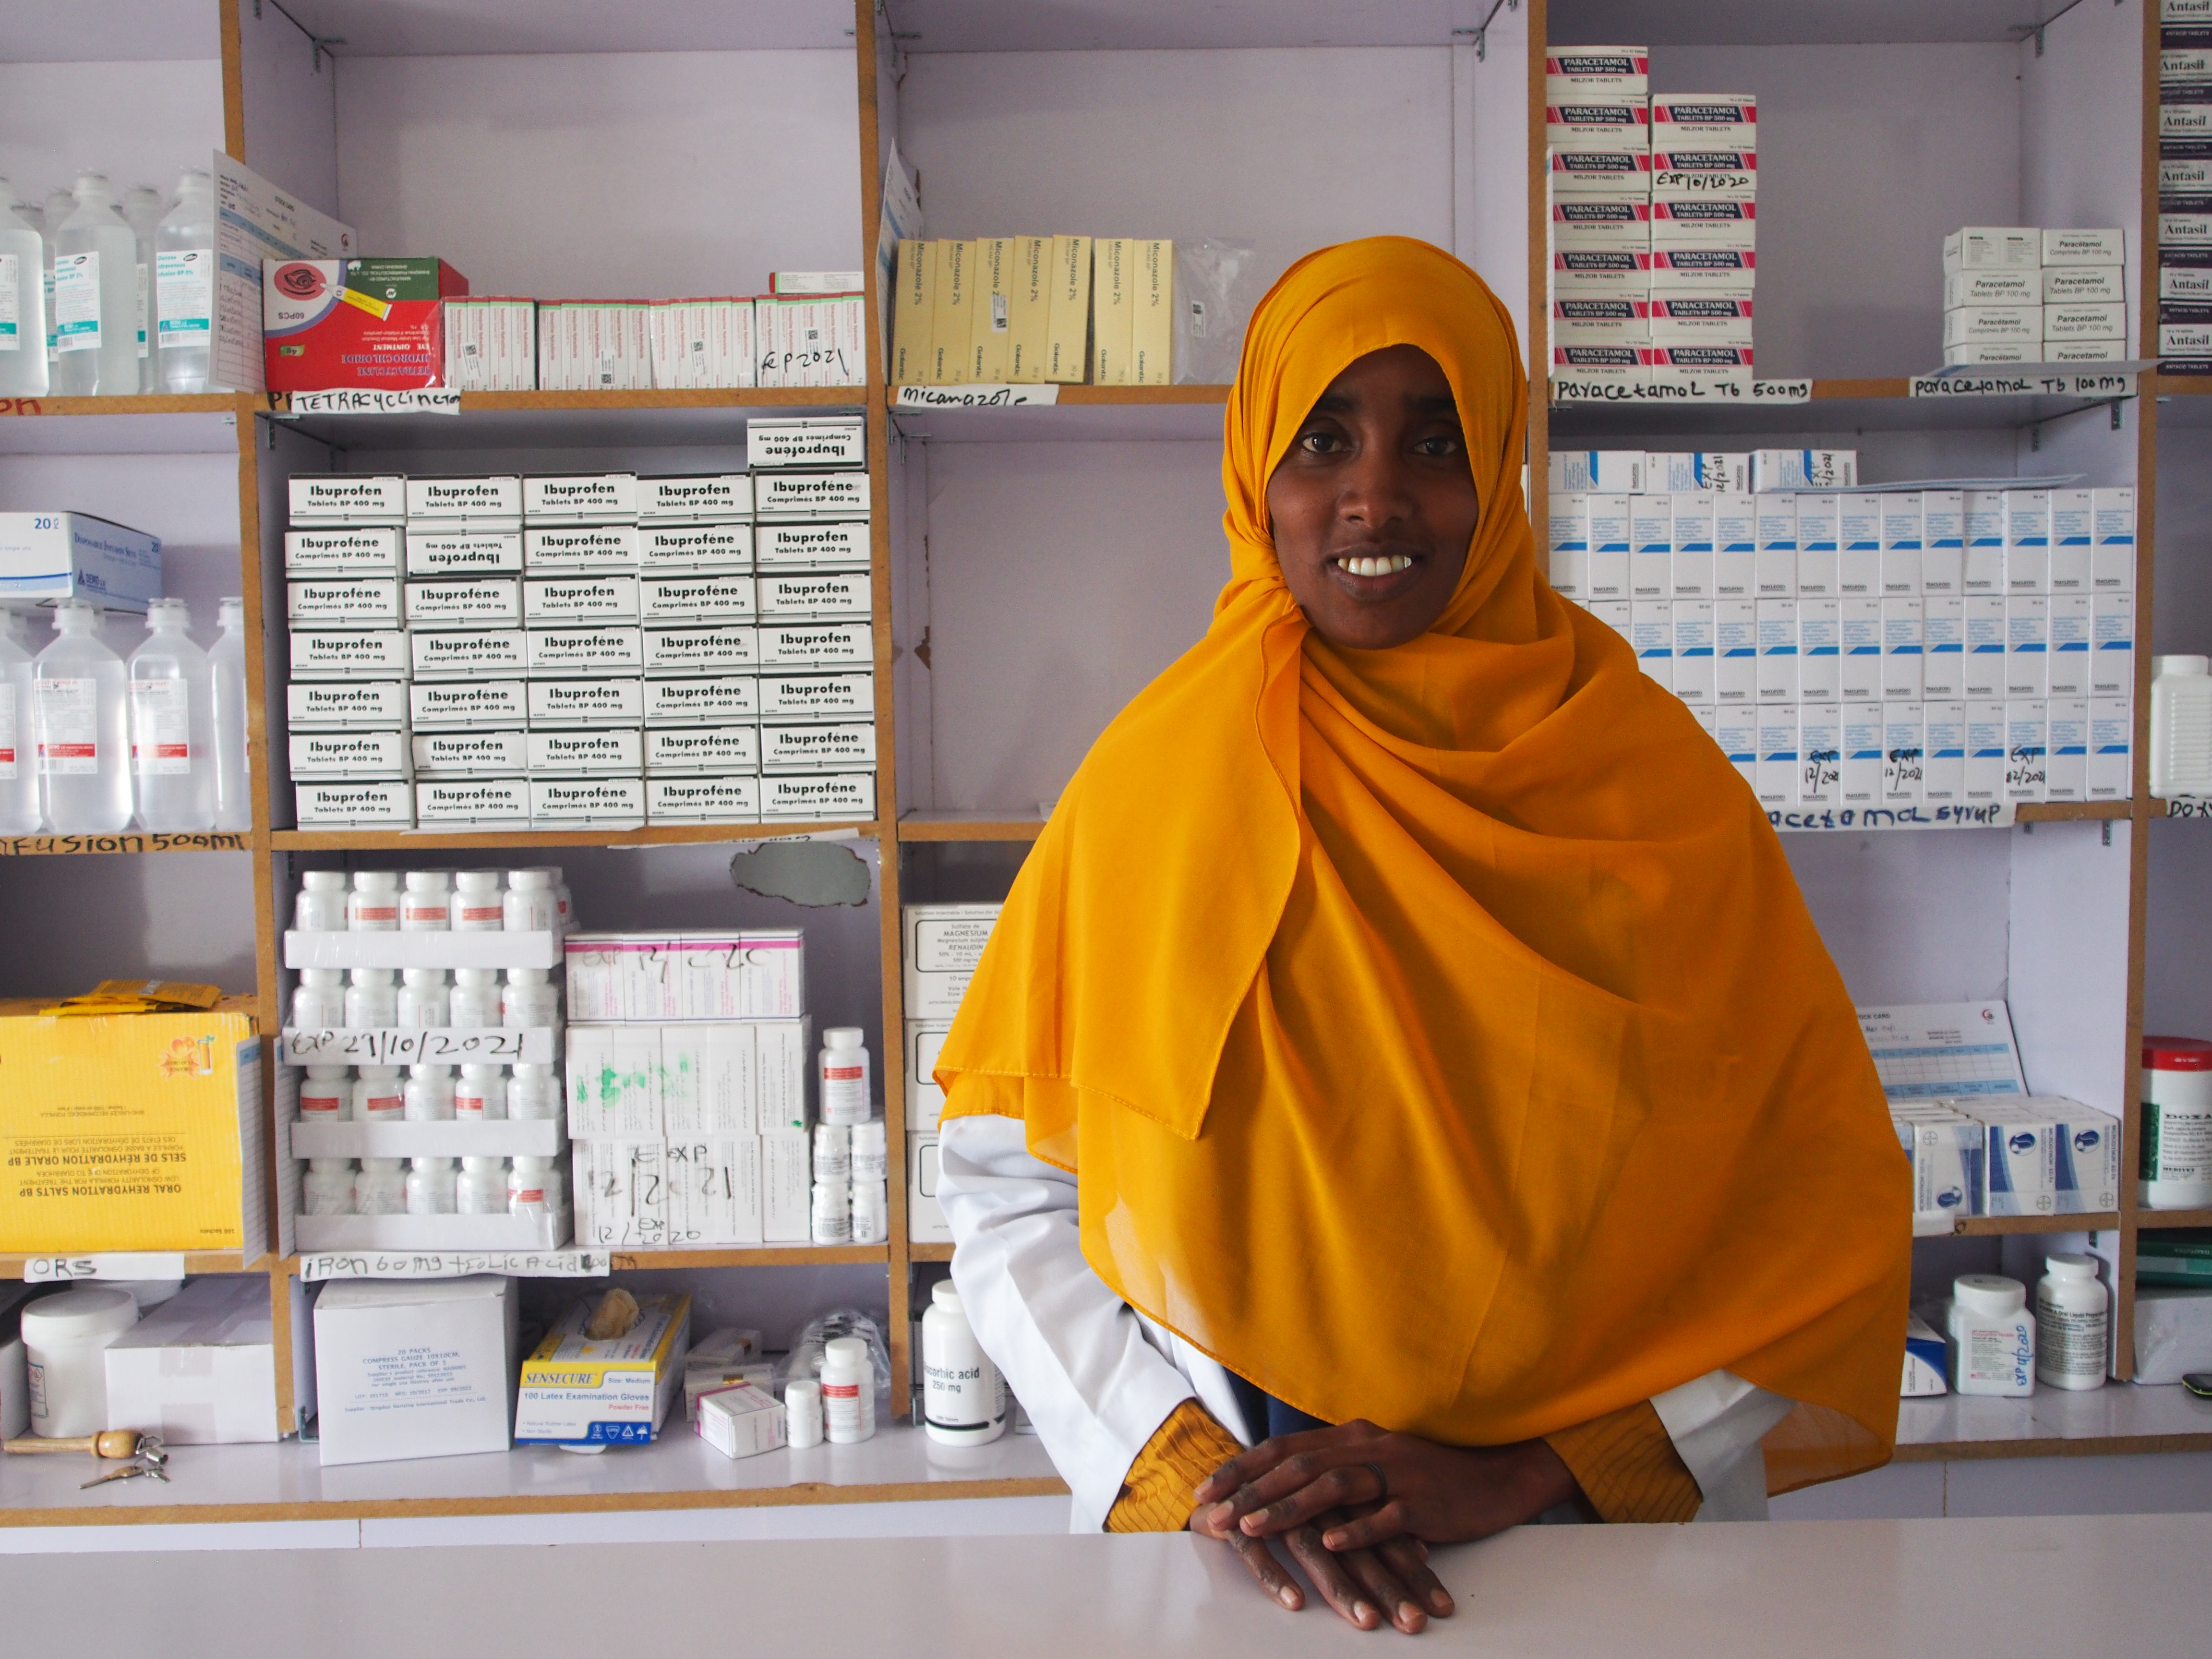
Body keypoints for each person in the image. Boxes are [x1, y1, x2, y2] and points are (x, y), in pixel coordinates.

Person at [932, 236, 1909, 1635]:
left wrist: (1527, 1471)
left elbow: (1815, 1210)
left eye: (1435, 440)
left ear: (1501, 473)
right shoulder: (1157, 786)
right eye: (1322, 439)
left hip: (1595, 1550)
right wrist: (1187, 1469)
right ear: (1255, 476)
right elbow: (1008, 1192)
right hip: (1255, 1555)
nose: (1373, 495)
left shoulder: (1648, 785)